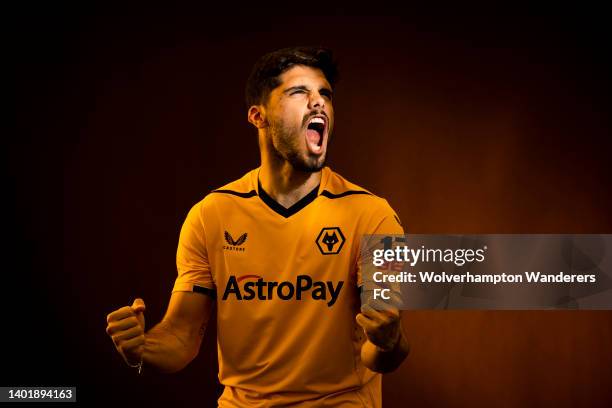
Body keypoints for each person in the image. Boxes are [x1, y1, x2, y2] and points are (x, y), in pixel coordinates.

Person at [105, 46, 410, 407]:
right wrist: (143, 348)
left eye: (325, 94)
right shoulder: (210, 215)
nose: (319, 103)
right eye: (300, 92)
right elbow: (181, 337)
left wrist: (390, 341)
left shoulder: (374, 217)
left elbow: (380, 356)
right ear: (257, 116)